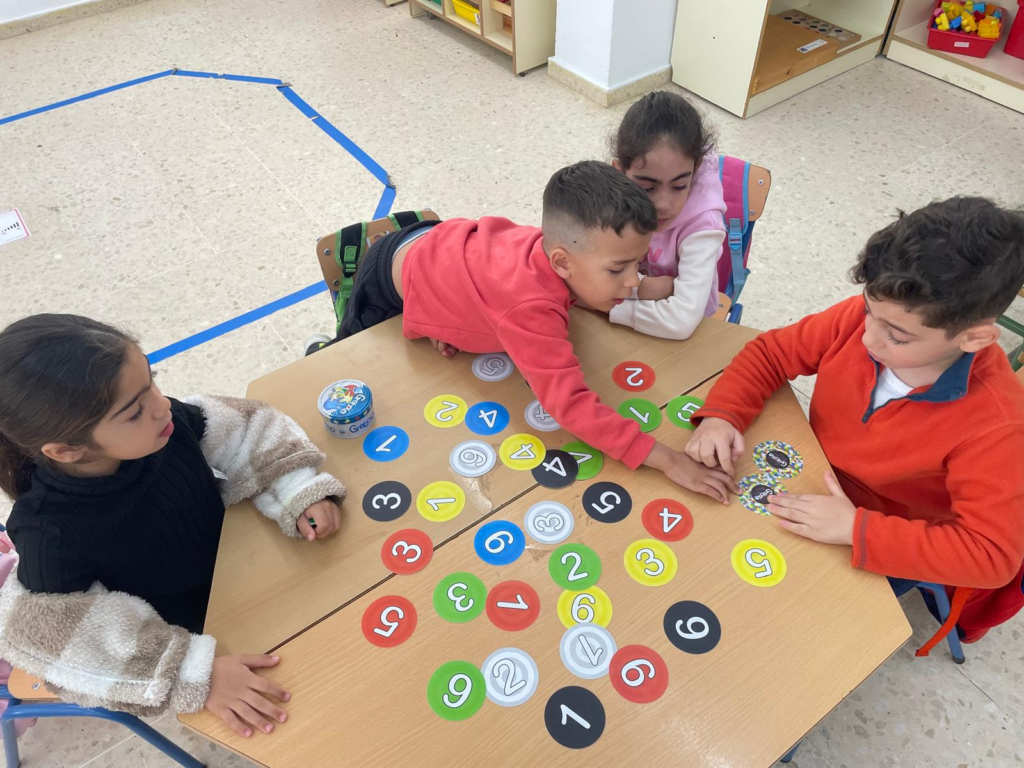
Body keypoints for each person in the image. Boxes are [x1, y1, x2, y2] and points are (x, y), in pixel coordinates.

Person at [685, 197, 1024, 645]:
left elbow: (991, 557)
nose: (867, 338)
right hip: (807, 475)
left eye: (897, 336)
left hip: (881, 536)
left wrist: (854, 529)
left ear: (974, 338)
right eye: (868, 312)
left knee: (780, 634)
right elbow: (771, 352)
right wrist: (724, 414)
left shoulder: (997, 425)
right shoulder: (873, 317)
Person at [0, 314, 346, 738]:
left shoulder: (166, 425)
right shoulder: (47, 534)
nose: (161, 405)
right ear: (67, 450)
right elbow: (63, 641)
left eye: (152, 380)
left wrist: (296, 486)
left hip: (248, 571)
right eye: (134, 411)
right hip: (201, 636)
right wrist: (195, 674)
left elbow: (249, 427)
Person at [318, 160, 736, 502]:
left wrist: (642, 286)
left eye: (637, 264)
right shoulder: (530, 309)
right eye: (618, 269)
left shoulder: (560, 253)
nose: (632, 280)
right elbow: (569, 405)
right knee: (343, 369)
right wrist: (667, 460)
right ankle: (321, 349)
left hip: (439, 244)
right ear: (562, 263)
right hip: (387, 281)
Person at [605, 90, 727, 340]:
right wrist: (643, 288)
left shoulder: (703, 227)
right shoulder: (613, 196)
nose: (663, 205)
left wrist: (603, 304)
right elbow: (582, 265)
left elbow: (681, 322)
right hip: (629, 317)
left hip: (690, 336)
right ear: (619, 173)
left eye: (680, 186)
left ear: (696, 170)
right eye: (647, 188)